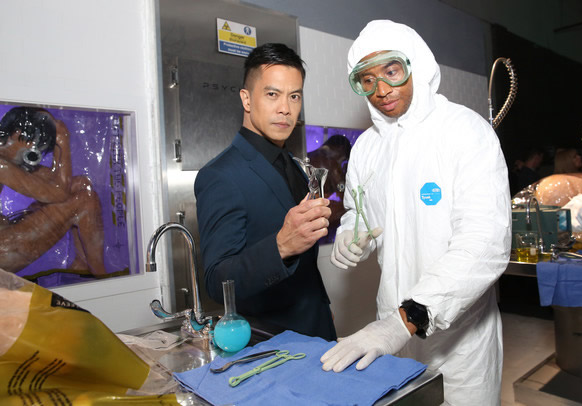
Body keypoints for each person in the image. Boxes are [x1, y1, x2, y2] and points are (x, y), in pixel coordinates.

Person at [321, 21, 511, 405]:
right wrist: (351, 233)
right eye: (367, 80)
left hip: (460, 342)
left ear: (417, 65)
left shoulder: (465, 131)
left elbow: (484, 245)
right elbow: (358, 209)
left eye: (391, 71)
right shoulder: (367, 148)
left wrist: (406, 319)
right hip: (392, 337)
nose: (381, 90)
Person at [194, 43, 336, 340]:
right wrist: (281, 246)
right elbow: (216, 282)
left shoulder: (294, 165)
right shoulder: (220, 175)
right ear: (246, 99)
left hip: (318, 330)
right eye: (272, 94)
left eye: (294, 96)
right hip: (272, 344)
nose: (285, 108)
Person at [0, 107, 107, 276]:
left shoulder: (8, 160)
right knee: (85, 199)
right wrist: (62, 141)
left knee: (81, 184)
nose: (33, 152)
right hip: (5, 250)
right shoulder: (2, 166)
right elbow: (59, 192)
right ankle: (101, 275)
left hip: (6, 240)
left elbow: (57, 182)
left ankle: (82, 266)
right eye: (34, 145)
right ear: (17, 133)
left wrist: (58, 146)